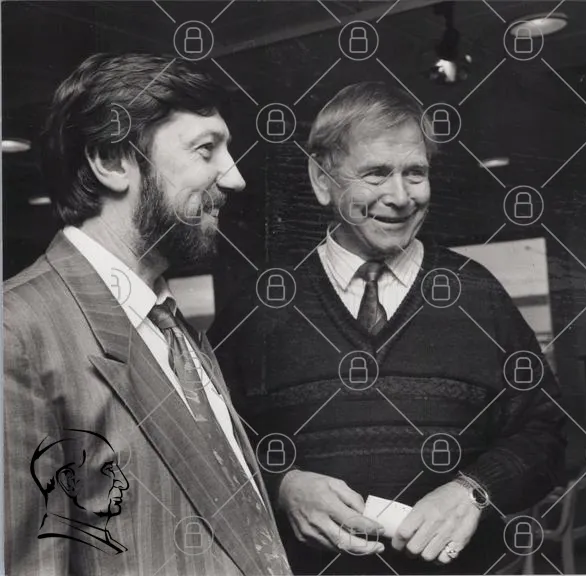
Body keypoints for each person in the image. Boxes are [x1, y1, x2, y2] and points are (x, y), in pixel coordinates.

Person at [210, 81, 567, 574]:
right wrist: (281, 487)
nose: (400, 197)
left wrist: (475, 490)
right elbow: (209, 442)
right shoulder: (258, 307)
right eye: (376, 173)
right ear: (321, 180)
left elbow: (546, 432)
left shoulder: (477, 294)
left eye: (415, 173)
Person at [5, 53, 292, 575]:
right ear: (113, 161)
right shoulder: (16, 332)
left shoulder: (170, 322)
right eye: (206, 150)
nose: (235, 178)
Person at [31, 430, 130, 555]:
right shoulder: (57, 548)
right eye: (109, 469)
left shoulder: (106, 545)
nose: (124, 484)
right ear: (70, 481)